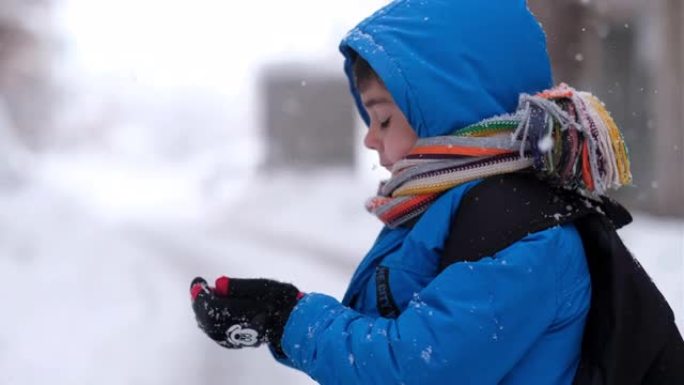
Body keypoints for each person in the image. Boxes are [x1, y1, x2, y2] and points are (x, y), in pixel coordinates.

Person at [189, 1, 682, 384]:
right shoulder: (450, 211)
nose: (369, 136)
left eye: (382, 117)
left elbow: (415, 369)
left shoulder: (525, 232)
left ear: (448, 112)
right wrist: (277, 311)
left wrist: (288, 318)